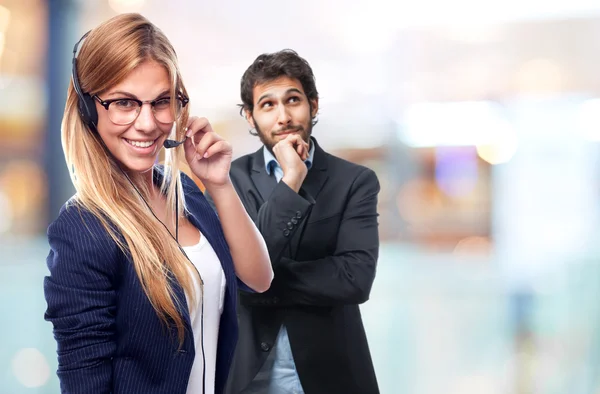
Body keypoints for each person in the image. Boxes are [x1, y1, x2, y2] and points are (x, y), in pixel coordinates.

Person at [43, 13, 273, 394]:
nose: (148, 123)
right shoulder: (82, 230)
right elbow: (85, 381)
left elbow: (259, 278)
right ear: (88, 107)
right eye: (125, 103)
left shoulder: (184, 192)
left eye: (161, 102)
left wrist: (219, 183)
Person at [207, 49, 381, 394]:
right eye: (268, 105)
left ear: (314, 105)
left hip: (330, 375)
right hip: (247, 376)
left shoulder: (355, 181)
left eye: (293, 100)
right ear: (250, 117)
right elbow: (229, 279)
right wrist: (292, 180)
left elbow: (354, 279)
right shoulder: (227, 180)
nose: (283, 116)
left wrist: (258, 281)